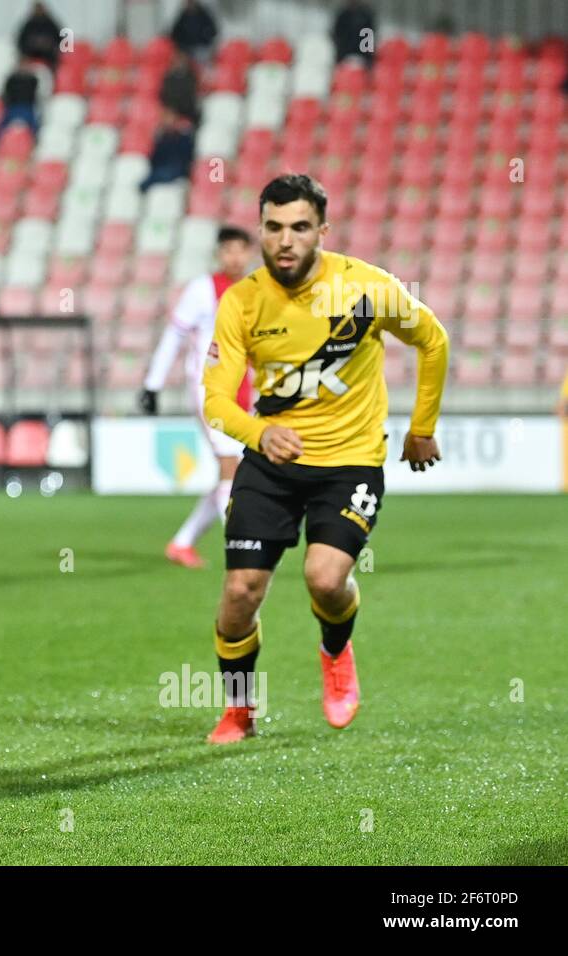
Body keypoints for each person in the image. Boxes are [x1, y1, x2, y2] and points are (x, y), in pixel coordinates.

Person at [200, 174, 449, 744]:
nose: (285, 240)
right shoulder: (242, 302)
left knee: (325, 578)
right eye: (273, 227)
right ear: (260, 229)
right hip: (272, 461)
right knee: (240, 592)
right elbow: (214, 401)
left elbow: (433, 340)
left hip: (352, 461)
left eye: (299, 227)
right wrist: (259, 433)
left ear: (322, 231)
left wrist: (422, 427)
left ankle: (336, 651)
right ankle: (239, 710)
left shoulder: (365, 288)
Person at [141, 226, 254, 568]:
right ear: (219, 253)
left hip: (244, 389)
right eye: (228, 250)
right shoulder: (202, 290)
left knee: (233, 472)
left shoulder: (257, 290)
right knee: (230, 465)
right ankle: (243, 546)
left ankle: (182, 543)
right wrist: (152, 384)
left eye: (240, 250)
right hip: (210, 388)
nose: (234, 256)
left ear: (249, 253)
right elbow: (174, 337)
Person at [139, 109, 195, 192]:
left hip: (177, 170)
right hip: (163, 170)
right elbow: (154, 159)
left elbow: (187, 156)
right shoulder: (162, 139)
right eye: (165, 119)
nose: (167, 122)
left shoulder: (183, 138)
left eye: (170, 119)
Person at [0, 59, 41, 140]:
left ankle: (35, 142)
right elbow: (6, 93)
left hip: (27, 107)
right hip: (13, 107)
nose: (23, 68)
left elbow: (35, 94)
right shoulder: (12, 79)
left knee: (34, 125)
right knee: (1, 124)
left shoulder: (33, 80)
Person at [169, 0, 218, 65]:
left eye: (191, 2)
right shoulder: (183, 15)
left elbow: (213, 30)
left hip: (202, 48)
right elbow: (174, 33)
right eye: (188, 2)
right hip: (186, 50)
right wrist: (180, 45)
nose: (190, 4)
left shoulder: (203, 13)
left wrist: (205, 38)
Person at [16, 2, 62, 70]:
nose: (39, 11)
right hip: (31, 51)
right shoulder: (29, 24)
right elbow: (20, 40)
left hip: (48, 51)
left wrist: (51, 45)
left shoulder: (50, 23)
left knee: (56, 63)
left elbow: (59, 36)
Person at [158, 49, 199, 125]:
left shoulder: (191, 77)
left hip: (187, 111)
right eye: (177, 60)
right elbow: (164, 94)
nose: (179, 63)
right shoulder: (168, 77)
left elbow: (191, 97)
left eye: (181, 61)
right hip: (171, 108)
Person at [333, 0, 376, 67]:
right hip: (344, 54)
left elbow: (370, 36)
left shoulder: (366, 15)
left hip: (363, 54)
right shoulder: (342, 15)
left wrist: (369, 56)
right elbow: (337, 34)